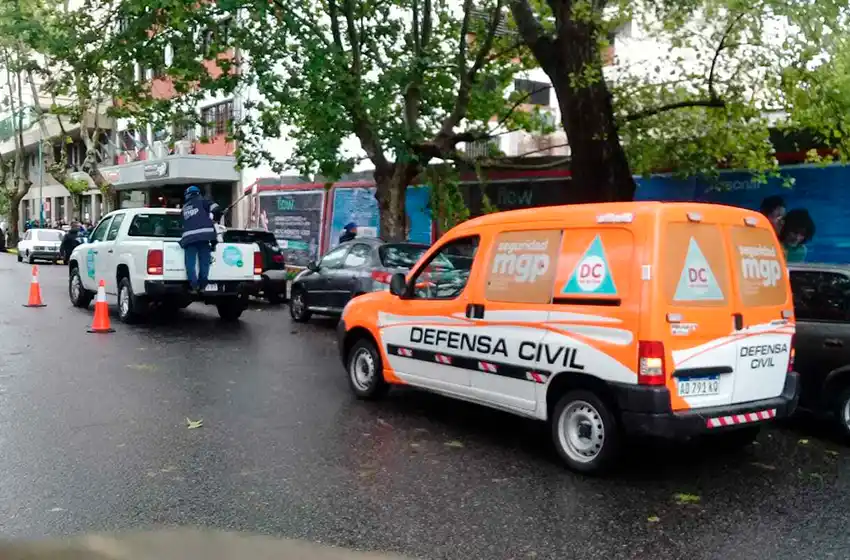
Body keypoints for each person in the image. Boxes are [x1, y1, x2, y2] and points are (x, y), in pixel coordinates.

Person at [180, 185, 221, 292]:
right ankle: (203, 285)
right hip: (205, 237)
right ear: (198, 193)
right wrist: (216, 218)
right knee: (204, 262)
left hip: (189, 239)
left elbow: (182, 224)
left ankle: (193, 285)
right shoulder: (204, 201)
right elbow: (216, 208)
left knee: (190, 263)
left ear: (187, 195)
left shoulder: (184, 208)